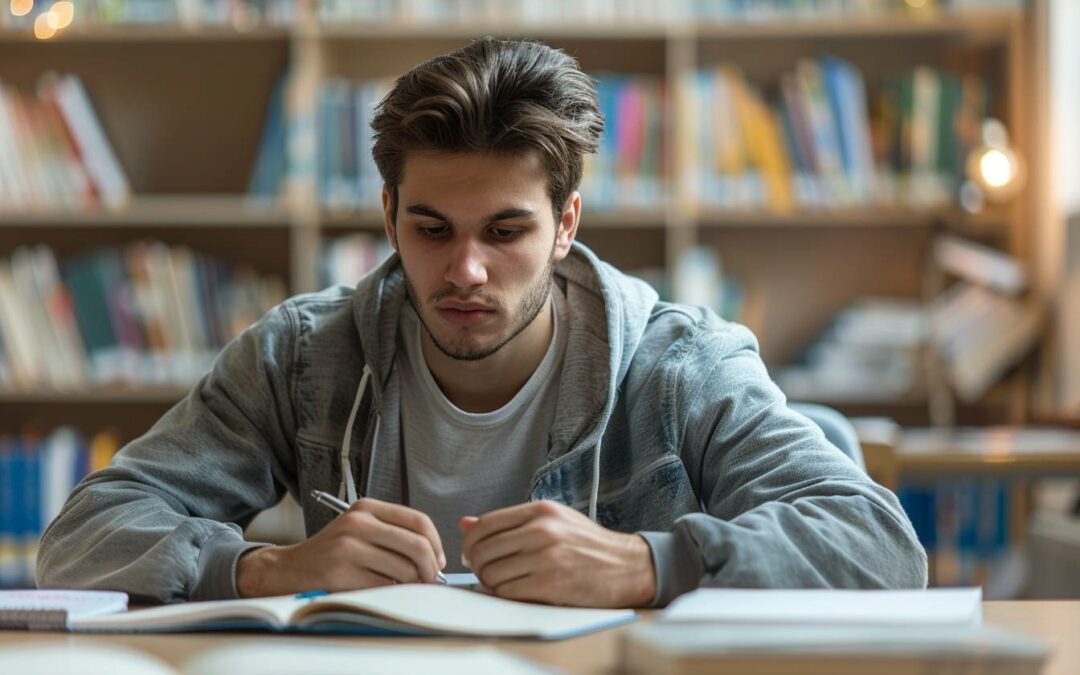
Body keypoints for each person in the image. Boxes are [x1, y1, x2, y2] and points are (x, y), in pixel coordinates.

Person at [37, 38, 926, 608]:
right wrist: (266, 568)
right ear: (388, 218)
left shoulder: (680, 362)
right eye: (431, 230)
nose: (465, 269)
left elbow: (878, 545)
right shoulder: (303, 354)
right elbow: (80, 536)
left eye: (506, 231)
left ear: (567, 225)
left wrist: (649, 564)